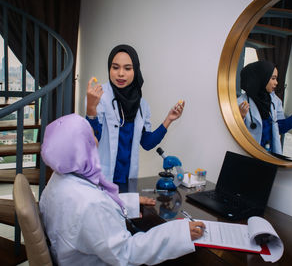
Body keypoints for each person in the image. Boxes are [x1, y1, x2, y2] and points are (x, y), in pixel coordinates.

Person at [39, 113, 205, 266]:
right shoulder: (91, 204)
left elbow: (89, 210)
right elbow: (127, 253)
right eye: (91, 136)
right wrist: (179, 234)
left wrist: (129, 202)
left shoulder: (58, 179)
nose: (96, 141)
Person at [86, 44, 184, 191]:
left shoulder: (142, 105)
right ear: (109, 69)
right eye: (115, 67)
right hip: (102, 178)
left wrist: (168, 119)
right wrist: (91, 109)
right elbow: (91, 141)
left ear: (135, 70)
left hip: (127, 179)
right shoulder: (99, 96)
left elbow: (147, 143)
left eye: (127, 68)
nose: (120, 74)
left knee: (127, 214)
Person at [237, 61, 292, 154]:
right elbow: (233, 135)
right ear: (261, 78)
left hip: (268, 155)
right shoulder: (240, 103)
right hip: (247, 155)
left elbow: (281, 128)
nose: (276, 82)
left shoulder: (275, 101)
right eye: (273, 78)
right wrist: (240, 117)